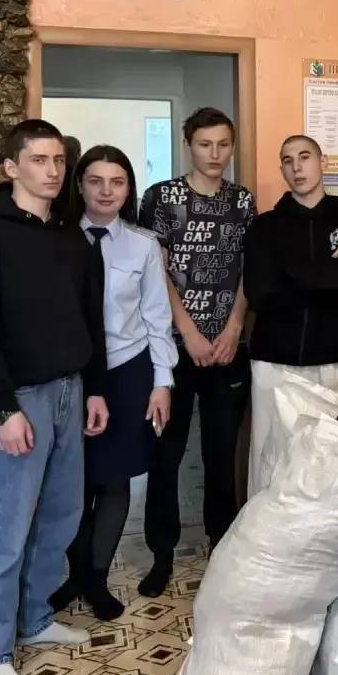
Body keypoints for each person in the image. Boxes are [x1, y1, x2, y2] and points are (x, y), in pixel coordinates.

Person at [0, 119, 108, 675]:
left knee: (61, 517)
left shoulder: (73, 240)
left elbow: (91, 321)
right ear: (11, 167)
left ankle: (35, 618)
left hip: (70, 391)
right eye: (39, 160)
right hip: (18, 400)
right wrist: (3, 407)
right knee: (3, 529)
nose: (52, 170)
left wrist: (95, 389)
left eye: (58, 160)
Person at [50, 146, 176, 620]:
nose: (106, 191)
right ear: (79, 185)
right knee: (73, 481)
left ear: (129, 189)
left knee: (115, 478)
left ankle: (97, 578)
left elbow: (157, 318)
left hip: (128, 371)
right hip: (72, 372)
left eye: (117, 182)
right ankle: (75, 574)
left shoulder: (143, 245)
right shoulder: (58, 239)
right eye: (96, 181)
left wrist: (162, 382)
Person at [136, 108, 255, 597]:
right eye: (205, 144)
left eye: (223, 144)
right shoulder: (161, 198)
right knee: (165, 453)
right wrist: (188, 333)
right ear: (189, 145)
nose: (215, 154)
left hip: (229, 348)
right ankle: (161, 554)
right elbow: (157, 271)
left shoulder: (242, 200)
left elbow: (248, 269)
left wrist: (233, 327)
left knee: (221, 456)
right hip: (173, 348)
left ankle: (221, 547)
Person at [244, 134, 338, 485]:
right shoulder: (264, 227)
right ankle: (263, 523)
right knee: (271, 460)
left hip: (332, 358)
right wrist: (324, 269)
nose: (297, 167)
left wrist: (288, 271)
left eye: (305, 157)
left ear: (322, 162)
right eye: (287, 160)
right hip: (274, 361)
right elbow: (260, 294)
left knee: (328, 464)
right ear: (282, 169)